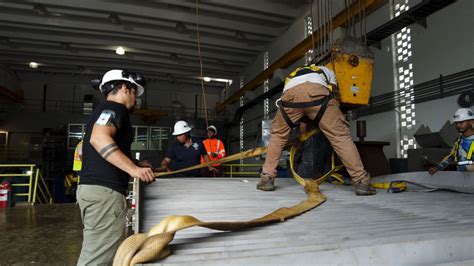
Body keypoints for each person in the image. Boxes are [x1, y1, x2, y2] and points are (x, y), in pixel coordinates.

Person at [256, 64, 376, 196]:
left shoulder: (293, 75)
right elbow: (334, 95)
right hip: (318, 93)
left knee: (278, 136)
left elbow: (302, 110)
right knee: (340, 137)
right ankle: (361, 181)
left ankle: (267, 178)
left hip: (290, 97)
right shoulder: (328, 72)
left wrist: (303, 134)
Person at [77, 69, 155, 265]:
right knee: (96, 259)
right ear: (123, 88)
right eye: (134, 93)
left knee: (95, 250)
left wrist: (135, 163)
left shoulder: (100, 112)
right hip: (105, 193)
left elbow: (85, 151)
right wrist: (133, 169)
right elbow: (99, 138)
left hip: (91, 189)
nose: (136, 100)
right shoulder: (115, 108)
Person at [429, 108, 474, 174]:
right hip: (462, 178)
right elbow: (452, 157)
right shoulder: (459, 141)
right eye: (456, 123)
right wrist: (438, 168)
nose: (458, 125)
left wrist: (468, 167)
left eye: (461, 122)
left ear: (471, 122)